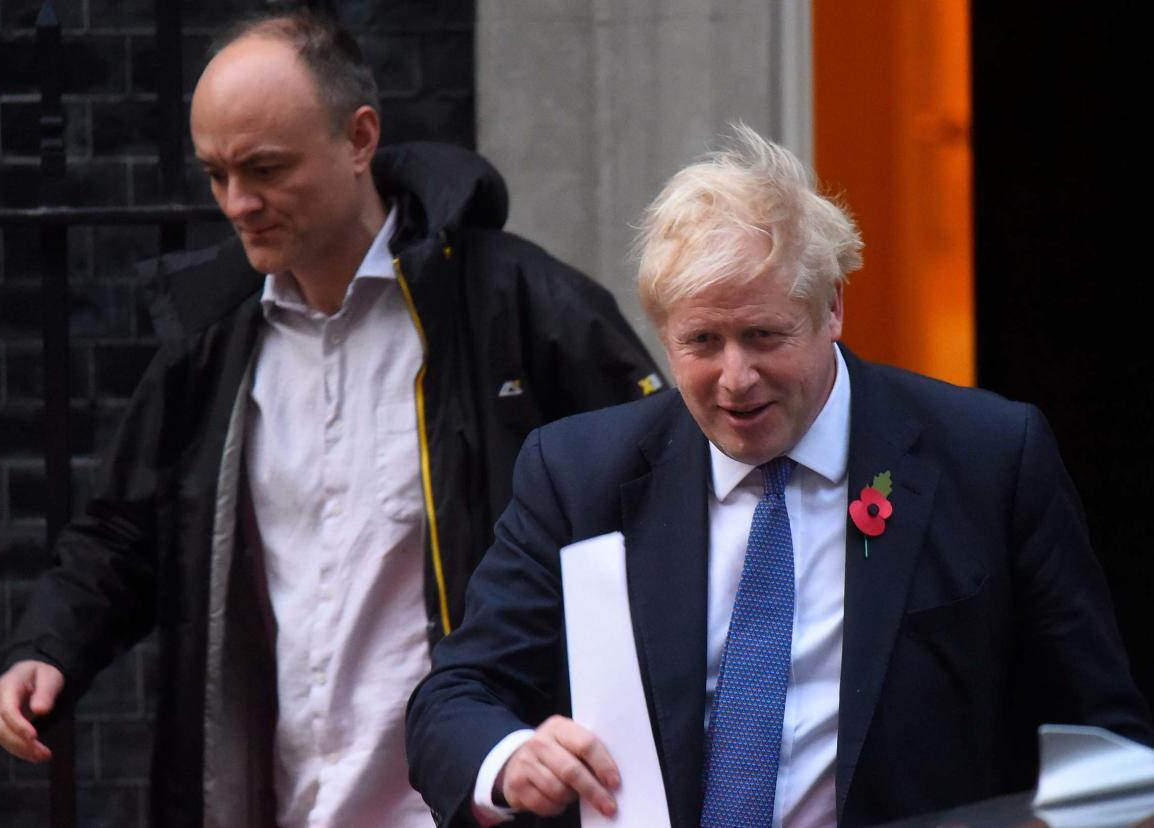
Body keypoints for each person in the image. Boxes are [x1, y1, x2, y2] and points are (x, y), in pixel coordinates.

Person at [0, 10, 663, 827]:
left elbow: (660, 512)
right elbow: (127, 531)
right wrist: (47, 647)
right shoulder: (211, 338)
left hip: (470, 806)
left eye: (266, 169)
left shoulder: (518, 306)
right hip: (278, 801)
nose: (239, 203)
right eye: (215, 174)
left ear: (359, 138)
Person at [404, 123, 1154, 827]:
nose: (736, 378)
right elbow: (456, 698)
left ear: (831, 308)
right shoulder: (578, 474)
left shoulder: (989, 457)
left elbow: (1102, 740)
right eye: (702, 341)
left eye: (764, 336)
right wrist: (509, 760)